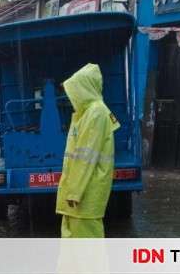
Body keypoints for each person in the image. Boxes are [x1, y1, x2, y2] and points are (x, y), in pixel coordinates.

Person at [56, 63, 120, 238]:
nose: (71, 97)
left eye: (74, 90)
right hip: (81, 197)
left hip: (84, 196)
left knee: (86, 250)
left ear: (84, 88)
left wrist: (74, 192)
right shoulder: (88, 113)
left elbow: (86, 158)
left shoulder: (96, 113)